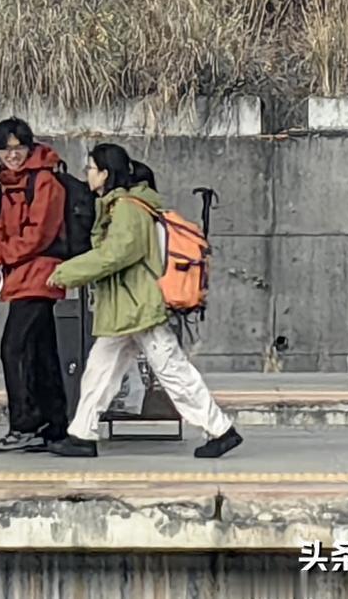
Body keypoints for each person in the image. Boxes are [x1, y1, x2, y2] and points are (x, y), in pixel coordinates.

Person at [45, 143, 242, 459]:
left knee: (171, 369)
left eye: (91, 169)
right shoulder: (120, 206)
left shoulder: (127, 208)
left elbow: (118, 254)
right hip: (126, 308)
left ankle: (220, 429)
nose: (87, 175)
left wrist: (68, 271)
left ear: (106, 173)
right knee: (100, 369)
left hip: (138, 306)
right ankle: (81, 434)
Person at [0, 117, 70, 453]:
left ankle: (25, 423)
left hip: (40, 274)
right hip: (24, 275)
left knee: (13, 348)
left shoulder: (44, 182)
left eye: (17, 148)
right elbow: (1, 227)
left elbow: (37, 235)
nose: (11, 155)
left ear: (28, 146)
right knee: (41, 352)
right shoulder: (10, 184)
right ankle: (54, 424)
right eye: (5, 149)